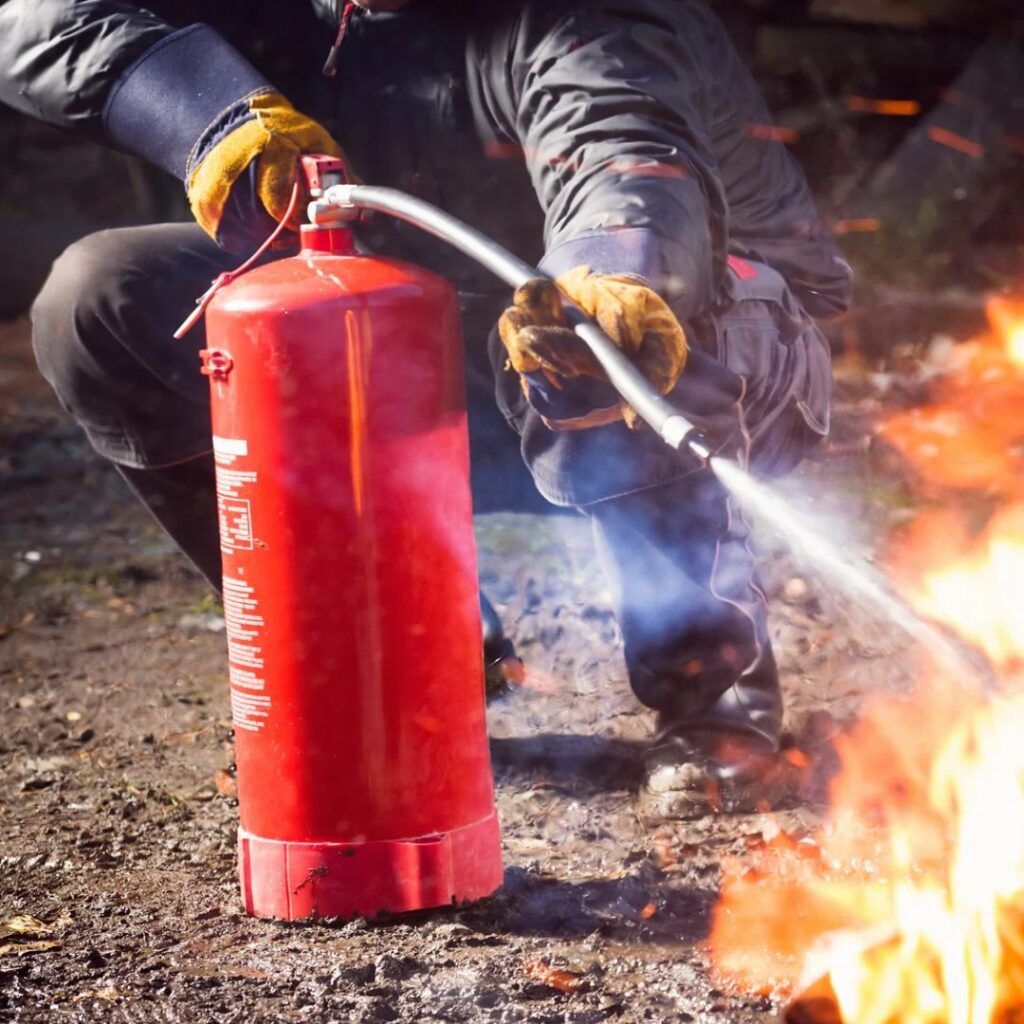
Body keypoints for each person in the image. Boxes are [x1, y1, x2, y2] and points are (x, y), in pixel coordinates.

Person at [0, 0, 851, 821]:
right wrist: (199, 109)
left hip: (717, 349)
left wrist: (610, 261)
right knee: (101, 297)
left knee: (598, 320)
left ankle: (711, 705)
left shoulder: (588, 17)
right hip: (422, 326)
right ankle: (407, 667)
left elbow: (621, 144)